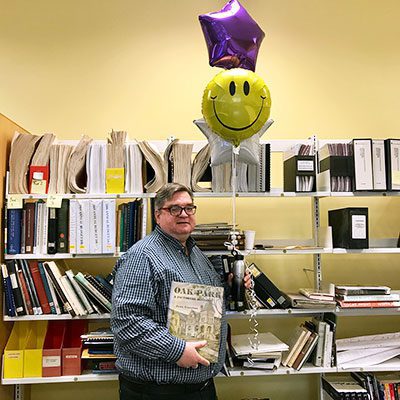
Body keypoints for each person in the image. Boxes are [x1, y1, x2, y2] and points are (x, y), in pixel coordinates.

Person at [111, 183, 250, 400]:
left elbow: (203, 302)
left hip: (201, 386)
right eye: (174, 209)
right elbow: (128, 322)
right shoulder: (142, 256)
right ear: (158, 215)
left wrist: (232, 287)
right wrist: (176, 350)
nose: (184, 214)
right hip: (158, 392)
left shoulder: (195, 254)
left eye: (189, 208)